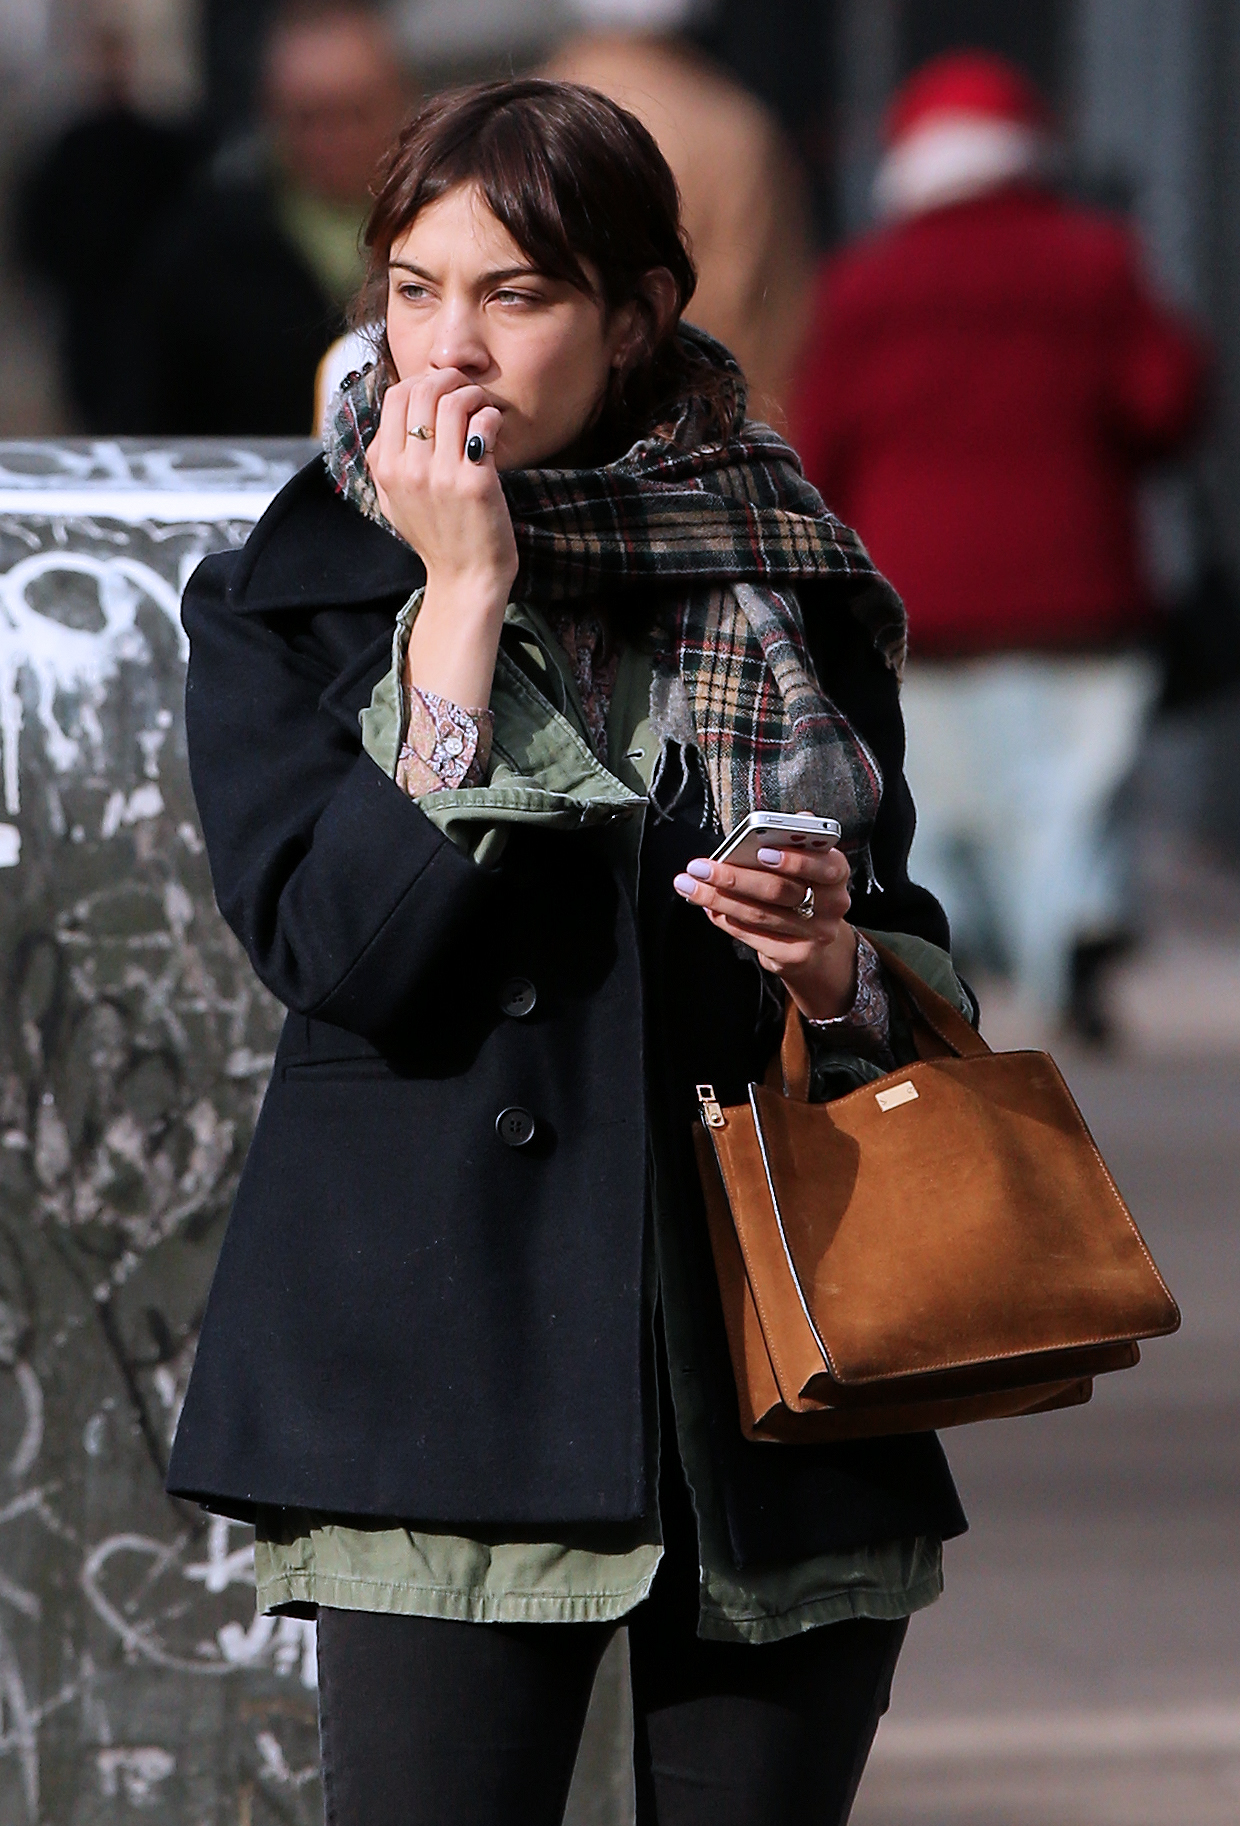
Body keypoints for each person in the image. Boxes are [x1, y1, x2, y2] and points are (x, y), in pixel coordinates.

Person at [167, 79, 972, 1826]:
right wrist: (459, 605)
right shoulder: (285, 599)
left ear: (636, 313)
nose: (449, 345)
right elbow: (342, 953)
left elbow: (907, 953)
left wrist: (832, 966)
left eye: (514, 294)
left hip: (764, 1382)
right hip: (439, 1379)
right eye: (412, 286)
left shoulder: (788, 577)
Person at [790, 51, 1208, 1041]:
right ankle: (1072, 924)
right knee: (1075, 780)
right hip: (1077, 586)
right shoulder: (1097, 260)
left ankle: (957, 935)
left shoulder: (865, 281)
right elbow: (1164, 402)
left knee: (943, 782)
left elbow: (820, 441)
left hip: (918, 590)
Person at [117, 0, 413, 434]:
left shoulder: (442, 228)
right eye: (309, 117)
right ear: (272, 114)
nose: (335, 139)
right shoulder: (204, 251)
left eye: (356, 112)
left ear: (399, 102)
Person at [14, 24, 206, 430]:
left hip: (153, 307)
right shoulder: (69, 146)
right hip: (90, 313)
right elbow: (39, 227)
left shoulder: (162, 143)